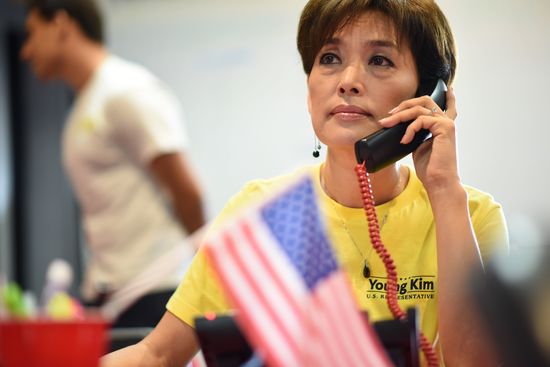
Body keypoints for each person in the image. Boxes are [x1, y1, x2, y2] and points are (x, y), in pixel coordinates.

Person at [102, 0, 508, 365]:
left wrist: (443, 189)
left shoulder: (470, 216)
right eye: (329, 58)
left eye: (380, 60)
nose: (348, 80)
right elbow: (157, 354)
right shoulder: (263, 209)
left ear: (427, 95)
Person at [20, 0, 206, 330]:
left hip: (153, 295)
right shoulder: (86, 103)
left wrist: (206, 283)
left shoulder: (125, 90)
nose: (26, 50)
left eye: (32, 34)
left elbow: (186, 191)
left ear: (61, 24)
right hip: (110, 296)